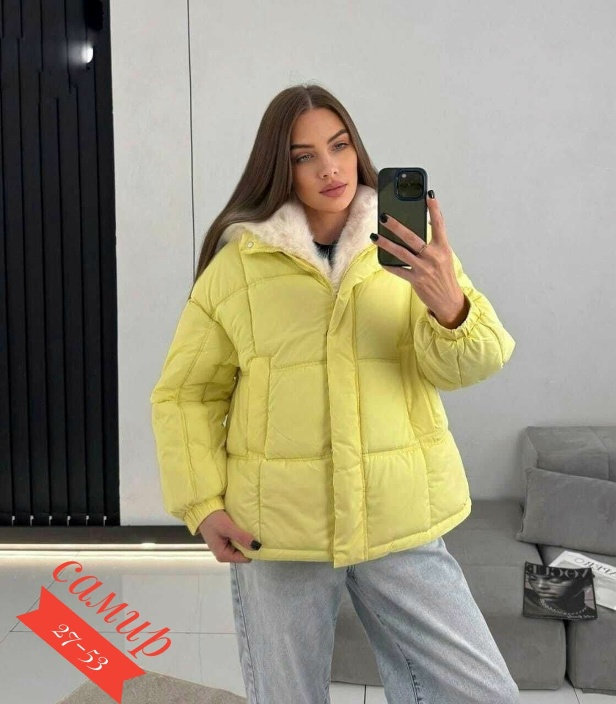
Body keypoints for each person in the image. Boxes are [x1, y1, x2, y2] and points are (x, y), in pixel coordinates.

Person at [150, 83, 519, 704]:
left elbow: (472, 365)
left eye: (340, 146)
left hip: (398, 515)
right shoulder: (238, 266)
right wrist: (202, 503)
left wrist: (449, 304)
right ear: (280, 168)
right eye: (305, 156)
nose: (329, 168)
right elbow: (186, 395)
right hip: (277, 529)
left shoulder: (412, 251)